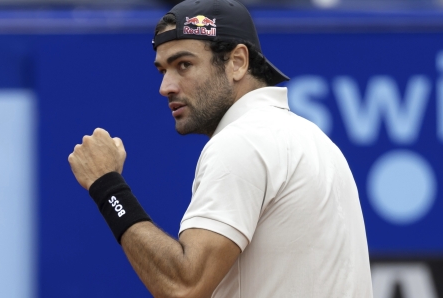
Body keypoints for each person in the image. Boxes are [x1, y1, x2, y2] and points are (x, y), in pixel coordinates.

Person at [68, 0, 373, 296]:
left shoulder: (242, 141)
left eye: (184, 65)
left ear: (238, 62)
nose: (166, 87)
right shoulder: (314, 139)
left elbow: (183, 286)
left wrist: (107, 185)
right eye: (163, 70)